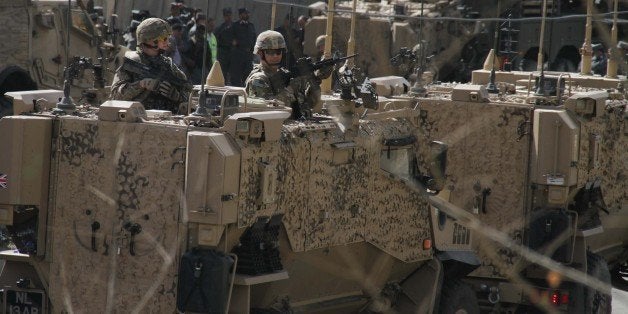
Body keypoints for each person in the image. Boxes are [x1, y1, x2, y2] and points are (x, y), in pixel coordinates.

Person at [110, 18, 192, 113]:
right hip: (137, 119)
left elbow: (189, 93)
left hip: (166, 119)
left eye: (168, 38)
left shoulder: (169, 65)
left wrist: (176, 95)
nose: (167, 42)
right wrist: (140, 85)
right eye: (163, 38)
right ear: (150, 40)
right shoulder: (131, 63)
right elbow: (115, 96)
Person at [245, 30, 332, 119]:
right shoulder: (258, 79)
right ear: (260, 53)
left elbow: (310, 103)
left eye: (279, 52)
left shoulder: (284, 74)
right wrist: (290, 89)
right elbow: (266, 110)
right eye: (270, 52)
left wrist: (315, 78)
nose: (275, 56)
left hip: (297, 125)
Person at [230, 8, 256, 87]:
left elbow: (254, 38)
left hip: (248, 55)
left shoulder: (251, 26)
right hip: (238, 54)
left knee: (248, 75)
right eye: (245, 13)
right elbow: (231, 38)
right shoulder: (235, 25)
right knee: (236, 76)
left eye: (247, 13)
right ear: (240, 15)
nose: (247, 15)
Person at [215, 8, 235, 84]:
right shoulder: (220, 28)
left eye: (229, 15)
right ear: (224, 16)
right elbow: (217, 40)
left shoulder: (235, 26)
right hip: (223, 52)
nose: (228, 17)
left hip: (233, 52)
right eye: (227, 15)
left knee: (233, 72)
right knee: (223, 71)